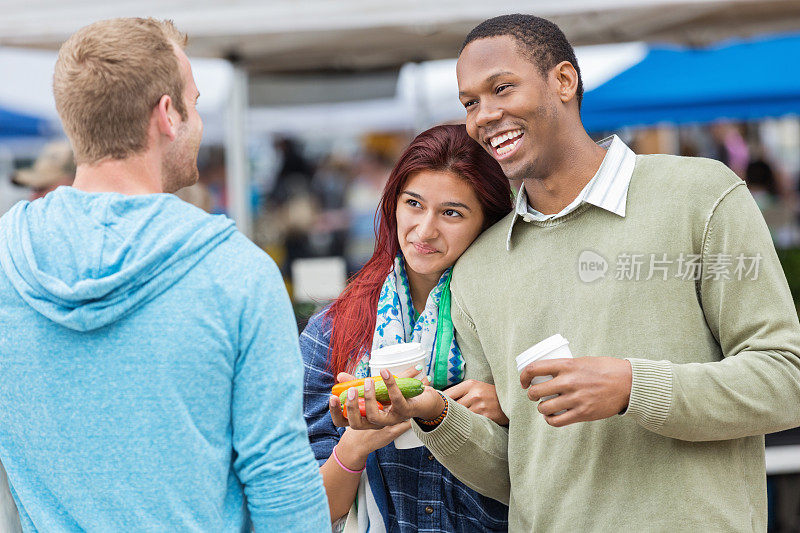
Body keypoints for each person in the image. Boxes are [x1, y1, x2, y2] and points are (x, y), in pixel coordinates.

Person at [331, 14, 800, 532]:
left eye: (501, 88)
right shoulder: (479, 266)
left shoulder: (700, 196)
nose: (484, 115)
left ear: (564, 81)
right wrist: (435, 413)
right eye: (470, 102)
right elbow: (516, 470)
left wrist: (633, 386)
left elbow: (787, 380)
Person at [0, 18, 329, 531]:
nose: (197, 121)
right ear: (167, 114)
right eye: (193, 103)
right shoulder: (234, 273)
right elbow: (279, 478)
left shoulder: (7, 260)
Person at [302, 124, 511, 532]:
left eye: (452, 212)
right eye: (414, 203)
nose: (425, 229)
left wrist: (513, 407)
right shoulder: (333, 331)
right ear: (393, 205)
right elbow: (309, 512)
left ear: (488, 221)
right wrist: (356, 443)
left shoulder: (513, 319)